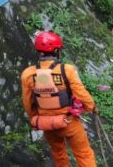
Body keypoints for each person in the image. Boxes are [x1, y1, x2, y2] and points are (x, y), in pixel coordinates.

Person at [20, 31, 98, 167]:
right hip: (68, 122)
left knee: (58, 152)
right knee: (83, 153)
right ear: (56, 51)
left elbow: (28, 103)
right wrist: (92, 107)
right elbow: (81, 93)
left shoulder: (28, 74)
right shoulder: (66, 70)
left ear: (39, 52)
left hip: (47, 124)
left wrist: (36, 118)